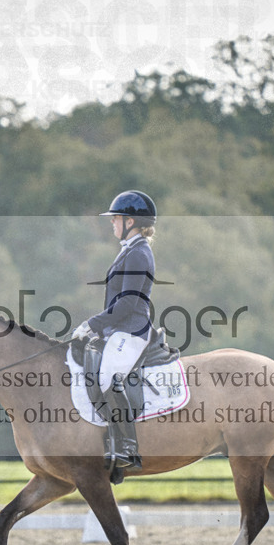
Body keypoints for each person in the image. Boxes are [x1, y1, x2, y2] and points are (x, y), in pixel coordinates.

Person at [72, 190, 157, 479]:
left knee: (106, 376)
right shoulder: (130, 250)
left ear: (130, 221)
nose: (112, 222)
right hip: (119, 329)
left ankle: (128, 447)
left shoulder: (139, 253)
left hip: (132, 330)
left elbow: (128, 303)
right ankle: (110, 440)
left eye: (116, 218)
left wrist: (92, 324)